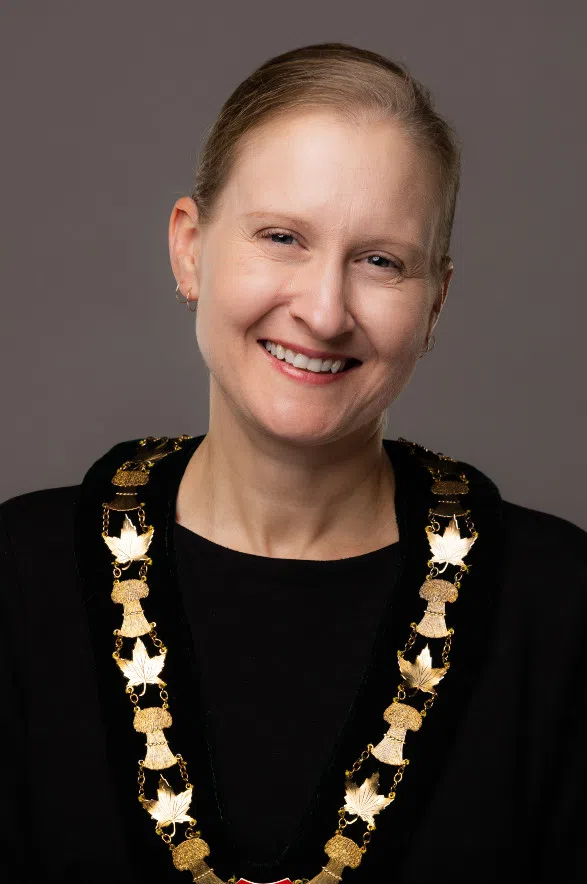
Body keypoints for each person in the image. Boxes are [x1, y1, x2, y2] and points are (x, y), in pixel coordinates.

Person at [1, 42, 585, 884]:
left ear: (435, 301)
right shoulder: (21, 575)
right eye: (282, 238)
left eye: (380, 261)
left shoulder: (558, 602)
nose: (323, 310)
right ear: (189, 249)